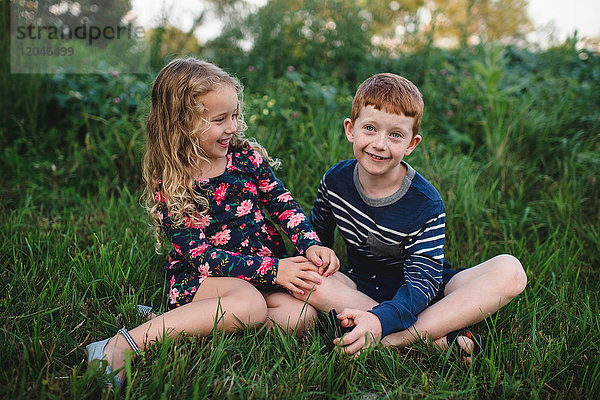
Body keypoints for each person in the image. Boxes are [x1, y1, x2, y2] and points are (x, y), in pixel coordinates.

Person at [86, 57, 339, 388]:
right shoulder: (174, 184)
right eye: (220, 119)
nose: (232, 127)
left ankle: (173, 324)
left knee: (299, 319)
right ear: (182, 125)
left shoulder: (247, 158)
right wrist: (276, 270)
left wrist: (310, 243)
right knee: (248, 306)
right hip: (205, 278)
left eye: (234, 115)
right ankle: (122, 344)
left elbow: (283, 204)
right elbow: (202, 258)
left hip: (258, 268)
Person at [295, 73, 527, 361]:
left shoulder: (426, 202)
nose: (380, 144)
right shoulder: (335, 180)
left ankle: (390, 338)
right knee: (305, 278)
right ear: (350, 130)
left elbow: (423, 281)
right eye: (370, 128)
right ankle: (437, 336)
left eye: (395, 135)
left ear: (411, 144)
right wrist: (320, 254)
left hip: (428, 292)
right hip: (363, 288)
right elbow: (318, 233)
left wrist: (380, 321)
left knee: (510, 270)